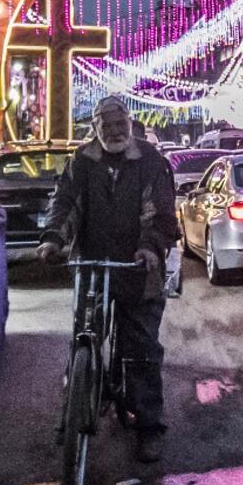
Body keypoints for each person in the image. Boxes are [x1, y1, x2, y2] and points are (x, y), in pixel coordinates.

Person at [37, 96, 180, 463]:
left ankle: (150, 426)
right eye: (107, 126)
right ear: (95, 128)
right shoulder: (83, 162)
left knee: (142, 350)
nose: (115, 132)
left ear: (130, 124)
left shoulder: (149, 161)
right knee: (83, 339)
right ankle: (73, 412)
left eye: (121, 125)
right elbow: (66, 203)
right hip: (93, 266)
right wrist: (54, 238)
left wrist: (150, 248)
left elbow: (159, 213)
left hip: (137, 269)